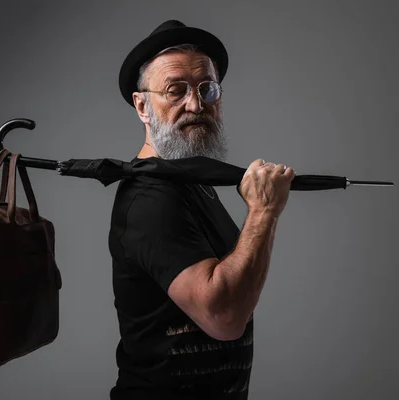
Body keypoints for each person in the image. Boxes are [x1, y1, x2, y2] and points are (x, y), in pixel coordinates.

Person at [108, 20, 296, 399]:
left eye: (206, 89)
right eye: (175, 90)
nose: (195, 104)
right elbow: (224, 317)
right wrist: (263, 212)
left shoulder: (192, 185)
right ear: (142, 105)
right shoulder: (150, 200)